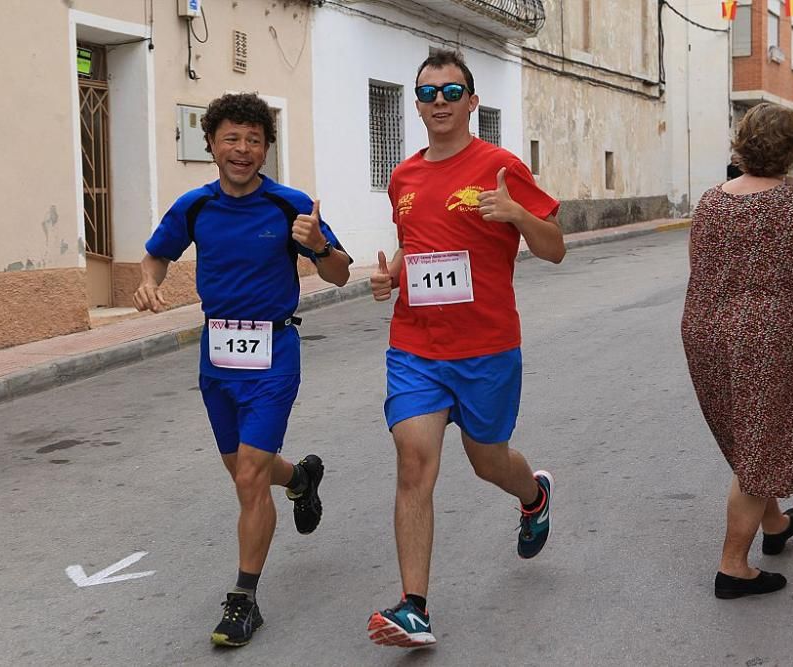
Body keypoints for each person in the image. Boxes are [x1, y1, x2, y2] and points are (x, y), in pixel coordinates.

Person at [134, 93, 352, 647]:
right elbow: (157, 252)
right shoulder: (195, 207)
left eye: (254, 140)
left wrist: (320, 244)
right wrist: (150, 281)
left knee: (250, 477)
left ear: (266, 149)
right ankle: (301, 478)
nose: (242, 149)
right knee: (244, 472)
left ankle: (243, 599)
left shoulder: (289, 206)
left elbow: (339, 277)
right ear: (211, 144)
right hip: (217, 357)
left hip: (274, 353)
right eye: (231, 138)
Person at [366, 50, 565, 648]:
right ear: (417, 106)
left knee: (487, 459)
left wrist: (516, 215)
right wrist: (392, 277)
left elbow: (555, 247)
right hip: (416, 347)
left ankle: (533, 495)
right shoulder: (403, 176)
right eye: (428, 94)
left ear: (472, 103)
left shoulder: (501, 166)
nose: (440, 103)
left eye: (452, 93)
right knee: (414, 462)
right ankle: (414, 608)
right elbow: (416, 247)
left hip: (487, 348)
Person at [681, 103, 793, 601]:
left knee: (749, 436)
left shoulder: (711, 202)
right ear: (792, 153)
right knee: (761, 445)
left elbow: (700, 264)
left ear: (740, 145)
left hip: (706, 332)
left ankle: (774, 525)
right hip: (770, 340)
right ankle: (734, 566)